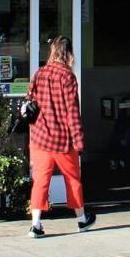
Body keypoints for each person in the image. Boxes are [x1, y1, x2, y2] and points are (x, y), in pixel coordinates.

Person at [26, 35, 93, 237]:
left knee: (40, 181)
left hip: (40, 139)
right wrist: (79, 141)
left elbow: (29, 101)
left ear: (53, 52)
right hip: (63, 140)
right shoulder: (68, 77)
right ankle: (82, 220)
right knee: (72, 179)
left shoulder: (40, 73)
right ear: (69, 54)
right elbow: (72, 112)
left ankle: (35, 225)